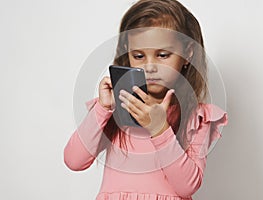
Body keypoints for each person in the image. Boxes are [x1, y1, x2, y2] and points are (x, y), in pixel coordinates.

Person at [64, 0, 228, 199]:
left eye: (162, 55)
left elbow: (187, 186)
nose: (150, 67)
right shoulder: (116, 107)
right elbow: (74, 160)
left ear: (187, 54)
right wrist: (102, 108)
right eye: (139, 55)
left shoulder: (197, 117)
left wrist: (160, 129)